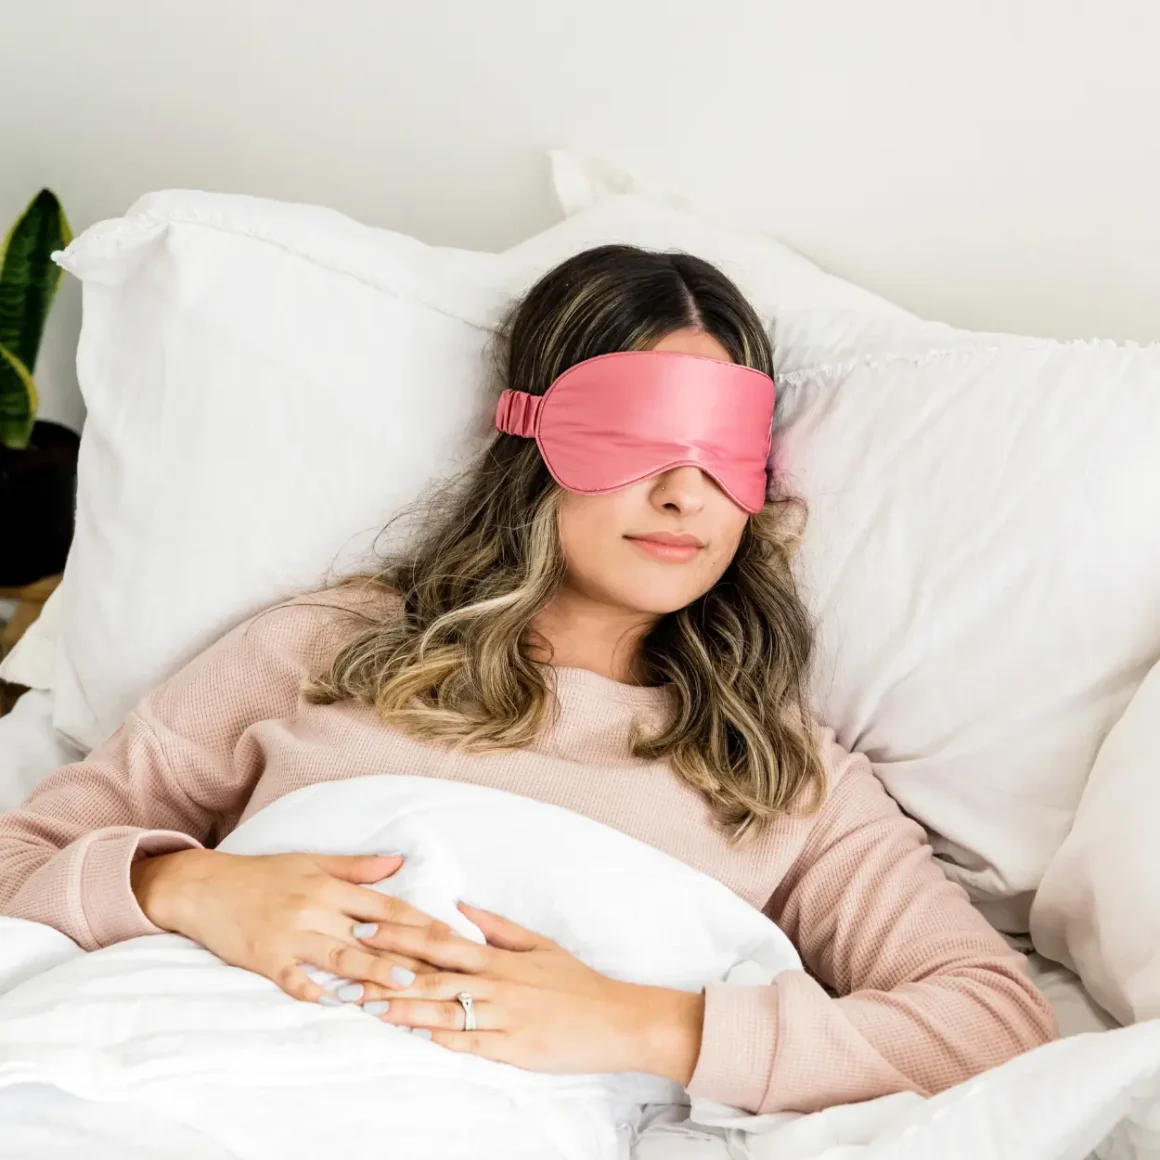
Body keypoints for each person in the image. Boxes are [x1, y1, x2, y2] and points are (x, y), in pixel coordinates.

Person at [0, 245, 1055, 1115]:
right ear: (530, 431)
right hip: (122, 1064)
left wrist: (634, 1020)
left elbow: (991, 1021)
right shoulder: (329, 643)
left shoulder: (782, 774)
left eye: (723, 449)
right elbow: (22, 852)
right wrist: (188, 885)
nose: (685, 492)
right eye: (639, 434)